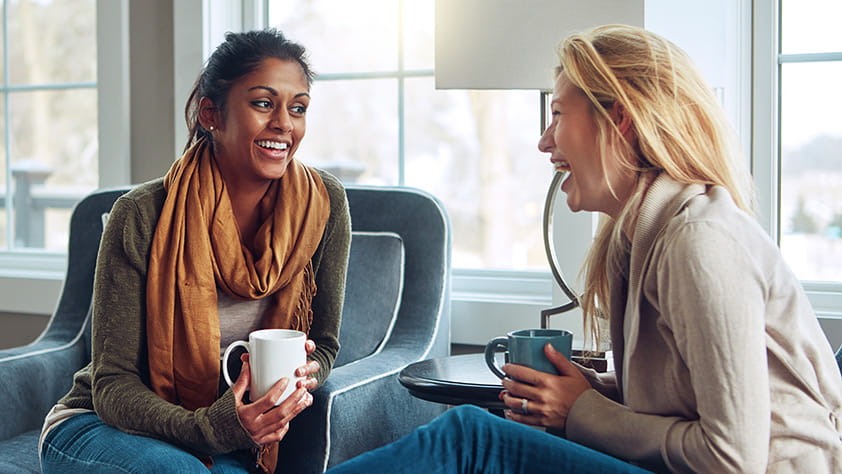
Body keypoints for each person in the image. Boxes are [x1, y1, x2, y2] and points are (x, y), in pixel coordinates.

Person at [325, 24, 842, 473]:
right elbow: (690, 397)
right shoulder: (640, 234)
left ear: (618, 120)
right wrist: (596, 389)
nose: (544, 141)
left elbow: (733, 459)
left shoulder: (699, 242)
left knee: (469, 438)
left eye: (557, 114)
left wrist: (582, 412)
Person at [39, 29, 351, 473]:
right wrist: (213, 428)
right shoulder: (142, 214)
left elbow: (322, 346)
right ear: (211, 114)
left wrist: (302, 378)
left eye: (297, 108)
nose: (285, 123)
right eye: (264, 103)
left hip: (229, 440)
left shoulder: (324, 206)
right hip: (101, 427)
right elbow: (111, 386)